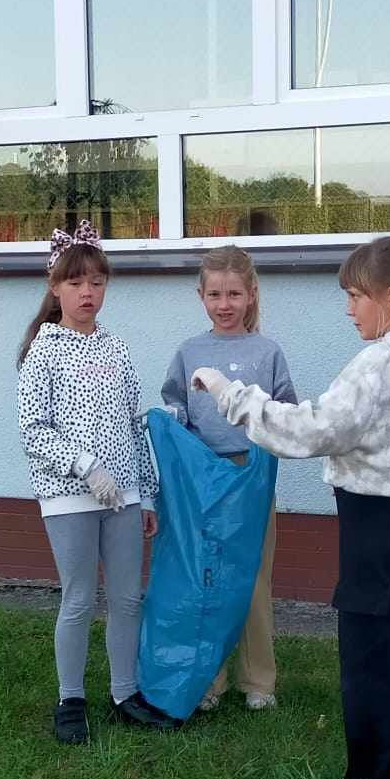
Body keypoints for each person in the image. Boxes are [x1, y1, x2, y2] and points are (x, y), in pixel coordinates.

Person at [192, 236, 390, 779]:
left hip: (378, 519)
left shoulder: (378, 363)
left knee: (375, 650)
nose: (348, 310)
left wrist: (227, 393)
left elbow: (313, 429)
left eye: (355, 296)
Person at [17, 221, 168, 745]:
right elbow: (33, 429)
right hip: (70, 497)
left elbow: (132, 424)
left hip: (122, 497)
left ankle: (126, 693)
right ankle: (71, 699)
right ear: (55, 288)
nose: (88, 293)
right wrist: (86, 467)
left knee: (127, 598)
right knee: (79, 599)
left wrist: (145, 494)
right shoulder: (44, 350)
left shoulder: (117, 349)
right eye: (76, 282)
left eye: (97, 282)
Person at [160, 245, 296, 713]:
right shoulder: (189, 352)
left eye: (234, 294)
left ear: (251, 294)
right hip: (204, 479)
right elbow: (175, 406)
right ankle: (208, 679)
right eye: (215, 294)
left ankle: (258, 680)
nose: (225, 304)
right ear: (200, 296)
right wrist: (172, 422)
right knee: (209, 576)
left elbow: (286, 413)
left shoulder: (267, 352)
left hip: (252, 477)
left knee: (254, 578)